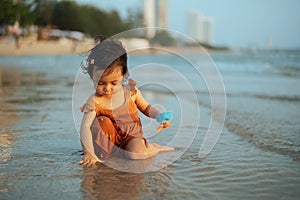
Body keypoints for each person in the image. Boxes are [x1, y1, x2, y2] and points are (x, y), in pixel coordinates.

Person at [78, 36, 173, 166]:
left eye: (113, 83)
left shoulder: (131, 93)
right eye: (100, 83)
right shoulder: (95, 101)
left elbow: (146, 108)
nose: (107, 88)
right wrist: (89, 152)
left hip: (131, 137)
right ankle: (111, 154)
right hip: (108, 141)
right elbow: (85, 127)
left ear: (123, 75)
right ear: (92, 76)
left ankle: (154, 147)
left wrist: (159, 115)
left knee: (135, 154)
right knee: (101, 123)